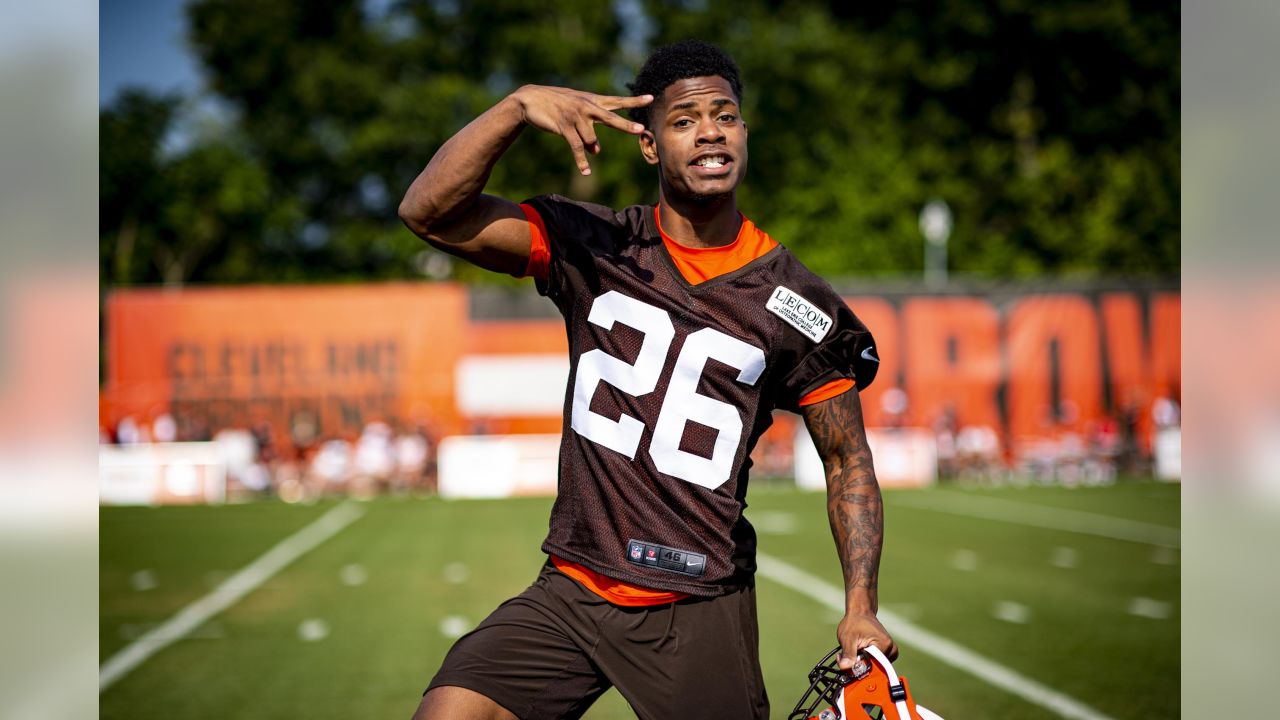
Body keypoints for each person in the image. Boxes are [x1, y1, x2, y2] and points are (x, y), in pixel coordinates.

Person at [399, 40, 894, 720]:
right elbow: (427, 212)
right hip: (572, 587)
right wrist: (514, 109)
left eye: (725, 114)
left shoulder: (796, 302)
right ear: (651, 146)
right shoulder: (594, 245)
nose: (711, 130)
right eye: (685, 118)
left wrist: (861, 609)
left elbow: (847, 459)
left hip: (694, 607)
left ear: (745, 133)